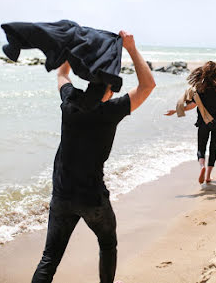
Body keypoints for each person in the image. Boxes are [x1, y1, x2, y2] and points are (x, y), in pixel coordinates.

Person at [31, 30, 156, 283]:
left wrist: (70, 48)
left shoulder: (70, 100)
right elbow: (148, 85)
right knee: (108, 243)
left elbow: (62, 74)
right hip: (92, 199)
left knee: (49, 259)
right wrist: (131, 48)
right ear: (109, 89)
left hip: (62, 195)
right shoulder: (111, 110)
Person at [165, 61, 216, 184]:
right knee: (213, 149)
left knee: (201, 148)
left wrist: (175, 111)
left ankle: (202, 167)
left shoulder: (199, 88)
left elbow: (192, 105)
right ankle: (208, 176)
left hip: (203, 122)